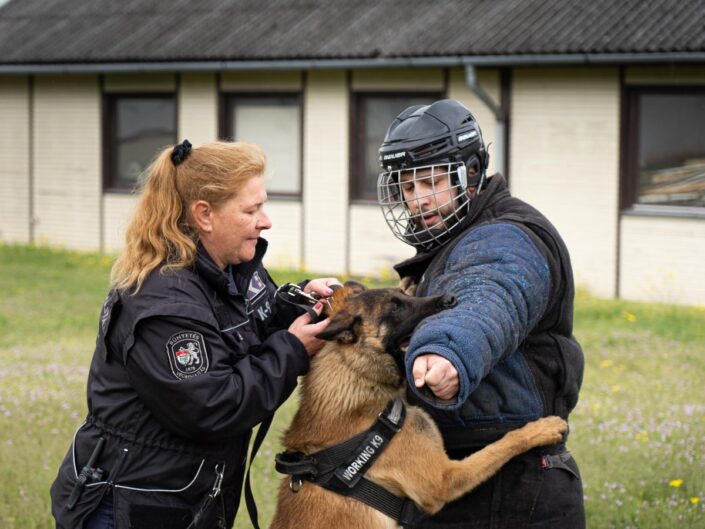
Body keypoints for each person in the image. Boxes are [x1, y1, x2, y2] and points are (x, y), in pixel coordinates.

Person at [50, 140, 339, 529]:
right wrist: (292, 349)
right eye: (251, 210)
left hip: (179, 499)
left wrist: (297, 302)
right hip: (131, 506)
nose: (265, 220)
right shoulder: (165, 302)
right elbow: (214, 406)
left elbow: (245, 326)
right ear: (204, 215)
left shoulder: (229, 269)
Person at [377, 99, 586, 528]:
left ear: (470, 174)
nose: (419, 200)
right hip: (462, 474)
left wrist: (448, 354)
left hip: (513, 489)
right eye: (408, 188)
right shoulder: (450, 242)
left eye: (431, 182)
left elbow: (490, 298)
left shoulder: (506, 237)